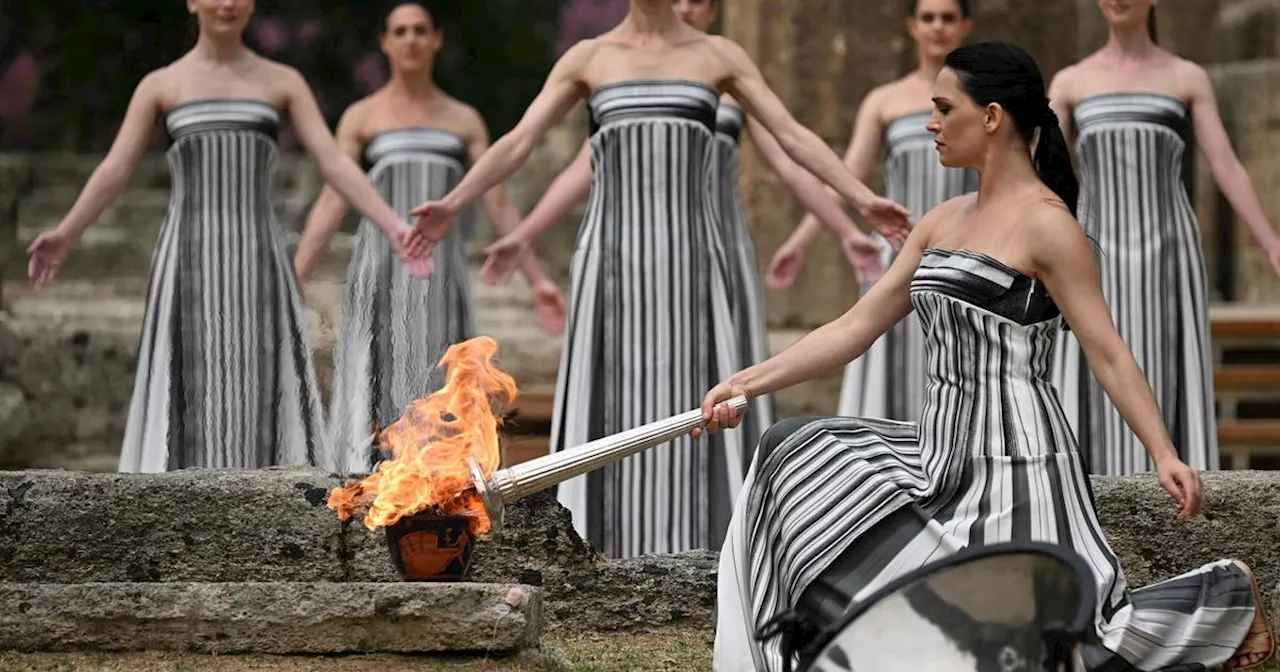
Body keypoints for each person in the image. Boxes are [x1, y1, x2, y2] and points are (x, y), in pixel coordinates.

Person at [698, 41, 1273, 672]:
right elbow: (856, 326)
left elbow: (1107, 352)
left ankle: (1224, 596)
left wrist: (1162, 451)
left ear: (992, 116)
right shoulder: (941, 221)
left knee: (1056, 649)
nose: (931, 124)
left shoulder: (1049, 227)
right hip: (937, 454)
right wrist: (744, 383)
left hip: (1017, 465)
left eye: (945, 109)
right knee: (791, 451)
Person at [402, 0, 912, 559]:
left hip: (694, 260)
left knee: (705, 397)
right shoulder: (589, 58)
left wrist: (864, 200)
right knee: (611, 397)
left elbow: (792, 138)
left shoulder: (718, 55)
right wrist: (453, 205)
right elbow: (519, 141)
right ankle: (598, 550)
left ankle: (711, 551)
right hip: (612, 262)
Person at [479, 0, 885, 472]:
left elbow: (791, 159)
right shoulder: (607, 65)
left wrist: (840, 225)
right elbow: (582, 169)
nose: (686, 7)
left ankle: (716, 492)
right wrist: (523, 235)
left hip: (711, 246)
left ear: (713, 11)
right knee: (620, 381)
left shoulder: (725, 71)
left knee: (712, 371)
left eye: (698, 1)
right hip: (623, 248)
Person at [25, 0, 427, 472]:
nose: (227, 3)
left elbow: (335, 162)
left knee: (259, 383)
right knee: (189, 382)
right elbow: (116, 168)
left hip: (259, 258)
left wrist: (394, 224)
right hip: (186, 260)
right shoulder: (161, 85)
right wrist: (67, 232)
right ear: (193, 3)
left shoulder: (282, 81)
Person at [292, 3, 566, 474]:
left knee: (443, 384)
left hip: (442, 278)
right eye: (400, 31)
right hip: (380, 272)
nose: (411, 39)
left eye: (421, 30)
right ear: (385, 42)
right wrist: (296, 273)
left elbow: (496, 201)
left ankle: (443, 485)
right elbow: (334, 198)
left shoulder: (462, 120)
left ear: (436, 40)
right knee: (377, 379)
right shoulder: (362, 117)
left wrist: (538, 280)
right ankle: (369, 483)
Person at [1047, 0, 1280, 475]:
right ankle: (1084, 494)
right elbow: (1041, 171)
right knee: (1092, 364)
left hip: (1168, 254)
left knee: (1167, 366)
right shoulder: (1071, 82)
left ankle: (1180, 495)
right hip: (1093, 254)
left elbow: (1226, 166)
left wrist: (1271, 242)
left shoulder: (1186, 77)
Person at [767, 0, 977, 423]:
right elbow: (848, 178)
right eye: (928, 18)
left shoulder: (983, 102)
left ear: (964, 27)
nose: (937, 27)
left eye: (948, 18)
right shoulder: (884, 100)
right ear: (912, 27)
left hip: (968, 255)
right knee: (890, 370)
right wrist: (801, 241)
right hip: (899, 258)